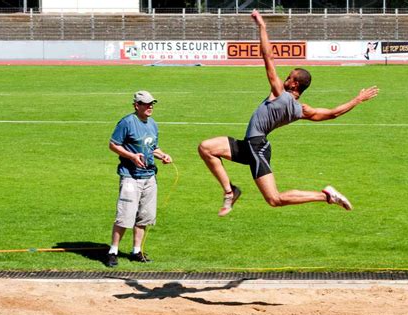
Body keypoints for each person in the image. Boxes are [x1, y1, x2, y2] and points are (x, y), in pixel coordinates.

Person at [198, 10, 379, 217]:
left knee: (275, 199)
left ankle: (326, 195)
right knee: (206, 148)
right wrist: (357, 99)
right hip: (251, 144)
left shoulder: (279, 94)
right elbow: (331, 114)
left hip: (256, 147)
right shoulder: (300, 110)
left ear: (294, 83)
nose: (285, 77)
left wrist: (262, 27)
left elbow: (268, 57)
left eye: (289, 76)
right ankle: (231, 191)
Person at [107, 90, 172, 267]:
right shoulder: (127, 122)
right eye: (146, 104)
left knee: (145, 216)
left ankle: (136, 251)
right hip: (130, 177)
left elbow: (153, 147)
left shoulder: (153, 124)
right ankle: (113, 250)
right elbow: (113, 145)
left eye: (152, 104)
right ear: (137, 105)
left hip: (149, 177)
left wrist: (163, 155)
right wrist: (131, 156)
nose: (150, 107)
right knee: (125, 216)